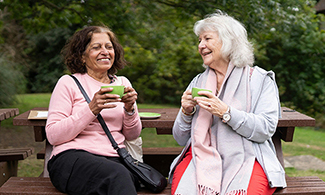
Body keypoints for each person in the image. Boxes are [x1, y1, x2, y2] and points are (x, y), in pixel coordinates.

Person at [169, 11, 287, 195]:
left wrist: (226, 112)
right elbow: (180, 138)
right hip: (201, 159)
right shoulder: (198, 82)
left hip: (249, 157)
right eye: (199, 40)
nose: (201, 45)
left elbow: (265, 128)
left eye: (207, 39)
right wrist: (186, 111)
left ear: (229, 41)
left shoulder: (260, 80)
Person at [45, 26, 142, 195]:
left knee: (125, 177)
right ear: (82, 57)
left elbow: (132, 135)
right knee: (117, 177)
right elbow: (54, 135)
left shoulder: (123, 83)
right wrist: (91, 109)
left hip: (115, 159)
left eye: (109, 47)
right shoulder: (68, 83)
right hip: (72, 158)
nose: (105, 52)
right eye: (96, 47)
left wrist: (129, 109)